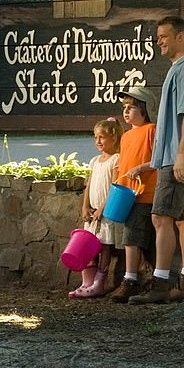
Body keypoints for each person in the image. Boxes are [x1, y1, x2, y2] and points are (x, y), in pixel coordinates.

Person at [129, 16, 184, 305]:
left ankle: (160, 284)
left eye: (164, 36)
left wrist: (181, 153)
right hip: (178, 159)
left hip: (178, 160)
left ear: (180, 36)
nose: (159, 41)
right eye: (158, 36)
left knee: (160, 217)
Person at [108, 86, 158, 303]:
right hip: (125, 195)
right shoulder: (126, 136)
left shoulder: (151, 130)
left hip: (143, 193)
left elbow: (158, 158)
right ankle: (140, 278)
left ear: (145, 110)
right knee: (132, 237)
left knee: (133, 237)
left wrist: (141, 168)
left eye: (132, 107)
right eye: (124, 107)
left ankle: (130, 281)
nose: (126, 112)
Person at [69, 118, 123, 299]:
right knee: (88, 246)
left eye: (102, 137)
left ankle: (99, 282)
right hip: (91, 211)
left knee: (105, 246)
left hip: (105, 212)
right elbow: (89, 186)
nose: (98, 141)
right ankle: (87, 282)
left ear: (114, 138)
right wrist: (85, 206)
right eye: (95, 137)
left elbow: (114, 185)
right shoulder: (94, 161)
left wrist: (102, 207)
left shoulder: (116, 159)